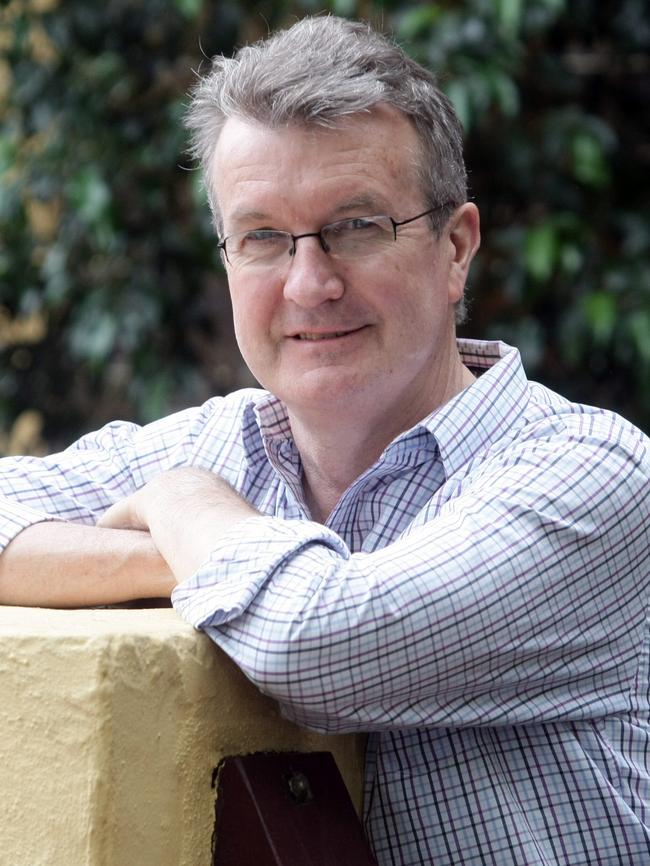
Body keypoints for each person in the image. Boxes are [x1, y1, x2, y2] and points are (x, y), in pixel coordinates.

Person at [1, 14, 649, 866]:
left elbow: (326, 644)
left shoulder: (594, 473)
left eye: (356, 226)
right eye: (264, 236)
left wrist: (189, 508)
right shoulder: (221, 441)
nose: (311, 284)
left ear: (455, 248)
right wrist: (182, 559)